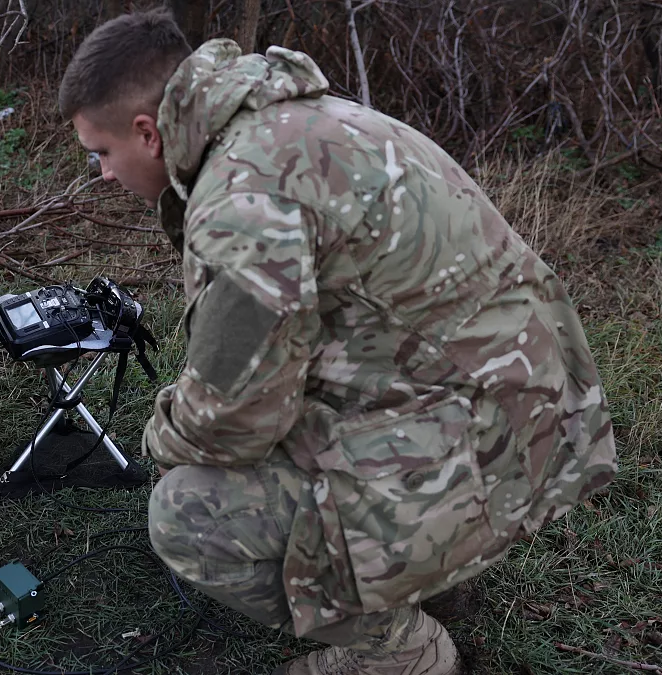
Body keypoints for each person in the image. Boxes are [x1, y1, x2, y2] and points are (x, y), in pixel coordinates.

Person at [59, 10, 616, 674]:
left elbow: (229, 423)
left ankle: (398, 649)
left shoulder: (244, 197)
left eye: (100, 151)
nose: (101, 174)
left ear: (147, 133)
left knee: (188, 511)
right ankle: (432, 569)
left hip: (492, 454)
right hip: (538, 419)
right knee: (293, 418)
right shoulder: (293, 120)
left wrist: (159, 434)